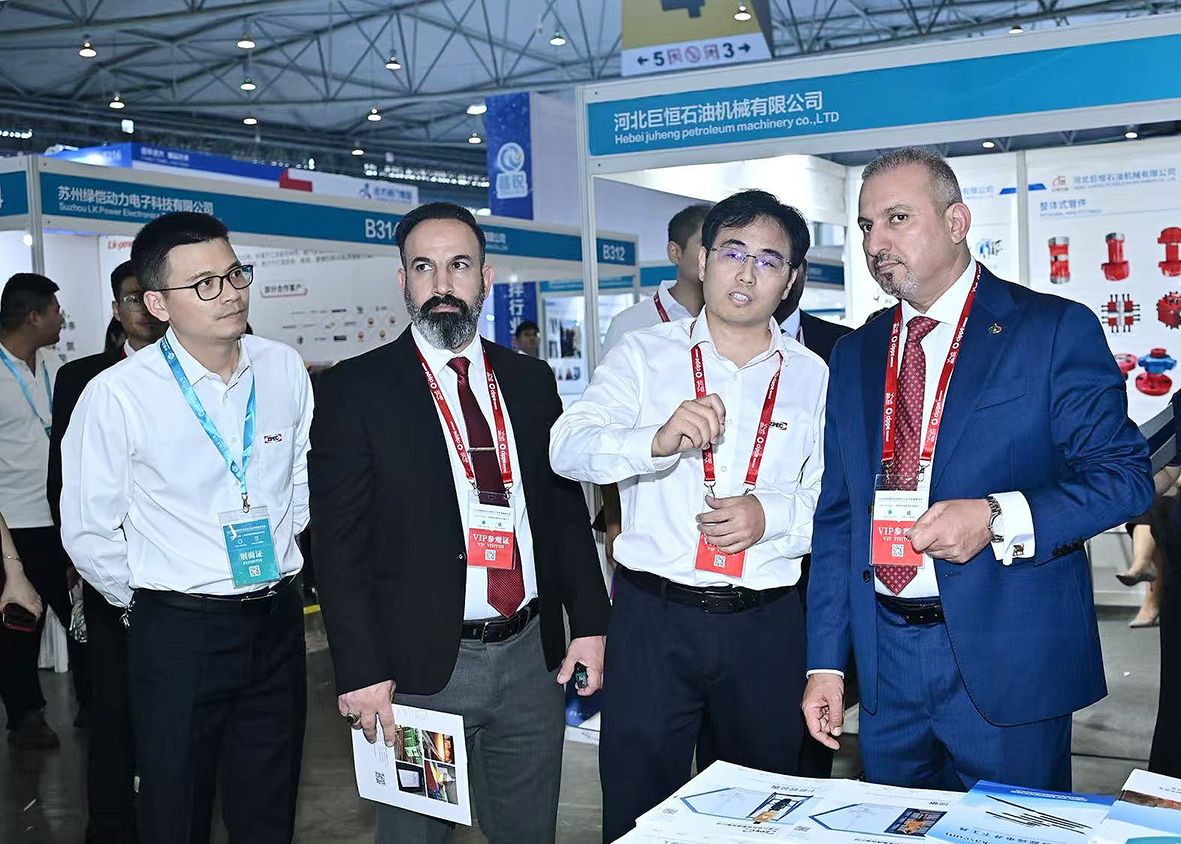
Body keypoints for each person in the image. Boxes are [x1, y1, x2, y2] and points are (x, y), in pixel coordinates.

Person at [802, 148, 1152, 793]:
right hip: (885, 667)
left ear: (957, 221)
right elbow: (840, 518)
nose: (876, 244)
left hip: (1009, 656)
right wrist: (825, 663)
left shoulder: (1049, 329)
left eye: (897, 218)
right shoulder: (854, 354)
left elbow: (1123, 477)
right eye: (866, 226)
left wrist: (995, 517)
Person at [308, 202, 610, 844]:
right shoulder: (356, 390)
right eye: (424, 268)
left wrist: (589, 624)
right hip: (418, 674)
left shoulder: (530, 381)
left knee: (529, 834)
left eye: (459, 265)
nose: (442, 284)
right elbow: (337, 548)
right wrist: (361, 670)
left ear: (485, 278)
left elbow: (563, 514)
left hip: (531, 663)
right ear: (403, 282)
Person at [551, 190, 827, 843]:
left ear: (790, 279)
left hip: (766, 624)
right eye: (732, 252)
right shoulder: (643, 354)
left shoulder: (813, 376)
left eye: (769, 260)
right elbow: (567, 448)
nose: (747, 273)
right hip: (654, 620)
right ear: (702, 261)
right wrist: (652, 440)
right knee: (637, 809)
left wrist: (770, 515)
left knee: (759, 815)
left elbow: (832, 498)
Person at [60, 212, 313, 844]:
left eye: (235, 274)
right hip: (178, 631)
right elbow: (89, 530)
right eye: (204, 284)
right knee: (175, 808)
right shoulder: (118, 394)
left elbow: (300, 479)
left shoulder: (282, 368)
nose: (229, 293)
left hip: (276, 622)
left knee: (269, 807)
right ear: (156, 304)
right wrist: (150, 604)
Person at [47, 260, 166, 844]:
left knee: (180, 713)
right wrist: (81, 558)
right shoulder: (82, 378)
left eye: (149, 295)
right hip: (110, 574)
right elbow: (63, 480)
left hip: (183, 578)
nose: (141, 308)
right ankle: (113, 827)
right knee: (112, 711)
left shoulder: (198, 370)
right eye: (130, 298)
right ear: (118, 309)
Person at [770, 253, 854, 781]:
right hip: (746, 571)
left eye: (789, 264)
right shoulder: (697, 352)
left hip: (828, 559)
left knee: (817, 720)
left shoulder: (846, 347)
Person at [599, 203, 712, 565]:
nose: (714, 254)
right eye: (704, 243)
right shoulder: (632, 324)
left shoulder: (730, 322)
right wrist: (614, 520)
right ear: (675, 252)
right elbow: (608, 427)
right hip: (647, 507)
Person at [0, 272, 67, 749]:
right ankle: (25, 715)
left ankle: (95, 707)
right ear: (33, 317)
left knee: (84, 619)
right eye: (56, 310)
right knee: (20, 626)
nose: (62, 319)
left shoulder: (54, 367)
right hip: (12, 525)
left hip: (58, 518)